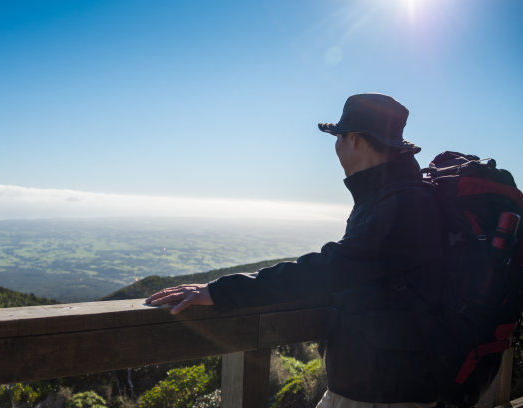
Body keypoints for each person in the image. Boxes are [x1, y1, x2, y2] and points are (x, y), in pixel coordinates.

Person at [146, 93, 444, 407]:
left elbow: (331, 269)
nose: (337, 147)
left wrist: (222, 292)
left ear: (355, 140)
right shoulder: (394, 195)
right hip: (380, 382)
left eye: (339, 137)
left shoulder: (403, 204)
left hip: (382, 390)